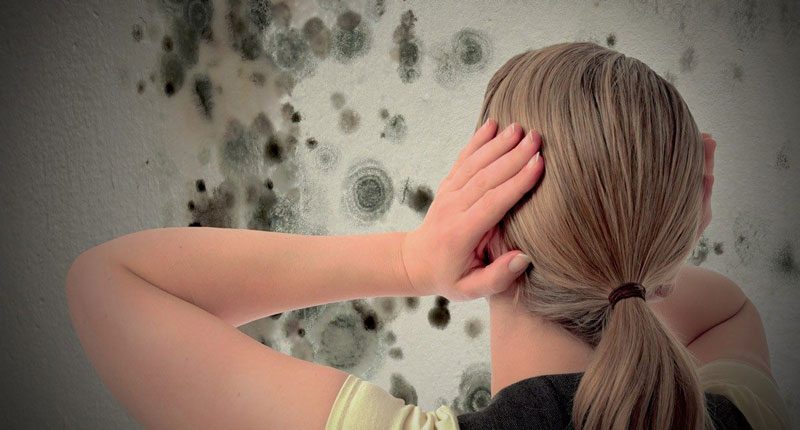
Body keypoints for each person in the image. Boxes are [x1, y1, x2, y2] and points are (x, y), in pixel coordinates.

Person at [65, 41, 791, 430]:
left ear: (485, 231)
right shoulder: (744, 415)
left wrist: (412, 260)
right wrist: (646, 235)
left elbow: (109, 283)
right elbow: (715, 308)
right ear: (676, 242)